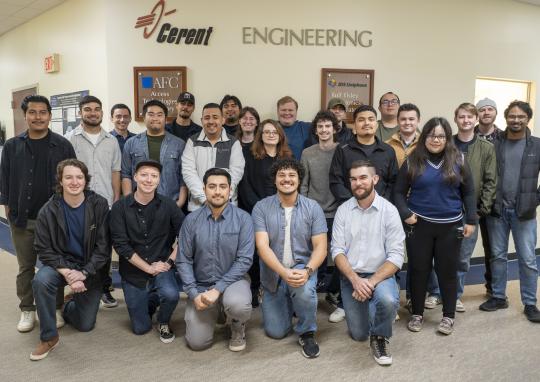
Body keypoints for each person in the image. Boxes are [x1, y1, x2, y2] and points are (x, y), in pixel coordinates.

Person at [394, 117, 477, 335]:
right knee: (419, 270)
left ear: (447, 138)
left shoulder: (458, 158)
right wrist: (406, 214)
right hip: (419, 226)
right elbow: (398, 192)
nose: (436, 139)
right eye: (431, 135)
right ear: (424, 137)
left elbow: (468, 191)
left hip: (450, 227)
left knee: (447, 272)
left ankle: (448, 316)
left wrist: (471, 220)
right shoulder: (413, 160)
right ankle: (417, 314)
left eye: (441, 136)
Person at [0, 95, 75, 333]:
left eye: (43, 112)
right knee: (25, 266)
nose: (38, 117)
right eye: (33, 112)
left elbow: (73, 180)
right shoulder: (12, 146)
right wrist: (8, 208)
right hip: (23, 218)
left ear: (49, 116)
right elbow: (5, 179)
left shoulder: (63, 145)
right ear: (26, 116)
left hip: (55, 220)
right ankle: (27, 309)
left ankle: (55, 307)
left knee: (54, 265)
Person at [30, 159, 110, 360]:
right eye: (68, 177)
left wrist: (83, 273)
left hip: (89, 268)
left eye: (79, 177)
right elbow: (43, 248)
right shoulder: (48, 210)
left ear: (85, 180)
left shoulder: (99, 205)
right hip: (61, 266)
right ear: (60, 181)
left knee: (85, 325)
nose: (74, 182)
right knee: (41, 281)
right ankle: (49, 337)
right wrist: (67, 273)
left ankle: (69, 305)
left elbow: (103, 248)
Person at [252, 158, 327, 358]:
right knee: (276, 332)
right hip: (274, 273)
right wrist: (283, 272)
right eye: (282, 175)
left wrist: (308, 271)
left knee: (303, 290)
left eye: (292, 175)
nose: (287, 179)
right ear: (275, 180)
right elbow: (262, 246)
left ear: (299, 179)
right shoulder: (261, 207)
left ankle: (307, 332)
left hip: (302, 268)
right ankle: (281, 299)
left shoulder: (313, 208)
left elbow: (321, 247)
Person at [332, 160, 405, 366]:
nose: (358, 183)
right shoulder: (343, 211)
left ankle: (380, 337)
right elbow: (337, 251)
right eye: (353, 179)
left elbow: (396, 256)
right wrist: (355, 280)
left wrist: (371, 282)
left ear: (375, 179)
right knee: (359, 334)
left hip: (380, 275)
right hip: (351, 278)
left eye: (363, 177)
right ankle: (371, 311)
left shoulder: (389, 211)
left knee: (388, 301)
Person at [177, 168, 254, 351]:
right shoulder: (191, 220)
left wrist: (218, 289)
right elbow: (183, 260)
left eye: (222, 187)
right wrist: (194, 293)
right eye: (212, 186)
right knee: (197, 344)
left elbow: (244, 260)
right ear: (204, 189)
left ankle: (237, 324)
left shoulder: (244, 219)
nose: (217, 191)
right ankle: (216, 310)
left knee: (238, 306)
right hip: (202, 285)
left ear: (230, 190)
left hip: (233, 282)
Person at [479, 101, 540, 323]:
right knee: (497, 256)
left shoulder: (536, 145)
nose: (516, 120)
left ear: (528, 118)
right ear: (506, 118)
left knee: (528, 259)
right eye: (512, 116)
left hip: (524, 213)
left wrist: (534, 200)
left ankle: (530, 303)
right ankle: (498, 296)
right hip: (497, 210)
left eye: (521, 116)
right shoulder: (494, 143)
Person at [110, 160, 184, 341]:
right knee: (140, 328)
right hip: (133, 271)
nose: (148, 180)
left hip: (162, 267)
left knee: (171, 294)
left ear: (159, 180)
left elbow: (186, 237)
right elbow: (121, 245)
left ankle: (163, 320)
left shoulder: (169, 205)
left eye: (154, 176)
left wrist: (168, 263)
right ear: (135, 177)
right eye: (144, 175)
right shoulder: (120, 207)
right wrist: (148, 268)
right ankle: (150, 299)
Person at [65, 95, 122, 308]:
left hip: (106, 203)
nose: (92, 113)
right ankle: (80, 287)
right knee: (79, 247)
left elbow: (115, 171)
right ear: (80, 112)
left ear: (101, 113)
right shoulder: (71, 138)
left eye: (97, 109)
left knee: (104, 249)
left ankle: (105, 289)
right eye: (87, 109)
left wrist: (116, 198)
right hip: (78, 204)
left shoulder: (112, 140)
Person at [238, 119, 292, 306]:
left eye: (274, 132)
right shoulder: (249, 156)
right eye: (266, 131)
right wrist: (261, 210)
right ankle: (256, 287)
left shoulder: (287, 159)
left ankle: (279, 287)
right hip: (255, 210)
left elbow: (291, 186)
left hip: (283, 212)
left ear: (280, 136)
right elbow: (244, 186)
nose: (270, 135)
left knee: (279, 248)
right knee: (256, 251)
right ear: (260, 135)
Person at [300, 111, 342, 322]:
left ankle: (333, 292)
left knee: (341, 256)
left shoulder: (342, 150)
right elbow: (304, 184)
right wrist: (305, 211)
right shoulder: (308, 153)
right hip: (314, 213)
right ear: (315, 130)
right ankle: (313, 296)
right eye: (320, 126)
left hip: (338, 212)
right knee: (317, 257)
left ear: (335, 129)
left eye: (328, 126)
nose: (324, 130)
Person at [121, 99, 187, 206]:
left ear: (165, 119)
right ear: (144, 118)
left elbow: (183, 177)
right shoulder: (131, 143)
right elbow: (126, 174)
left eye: (159, 115)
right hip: (138, 204)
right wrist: (129, 201)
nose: (155, 118)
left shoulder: (179, 144)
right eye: (151, 114)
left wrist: (180, 202)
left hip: (170, 203)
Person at [182, 102, 245, 212]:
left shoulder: (233, 143)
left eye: (215, 117)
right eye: (207, 118)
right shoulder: (192, 142)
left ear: (223, 120)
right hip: (198, 207)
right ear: (202, 121)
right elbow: (188, 172)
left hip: (227, 206)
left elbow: (236, 173)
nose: (211, 121)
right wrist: (205, 199)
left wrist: (220, 199)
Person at [330, 105, 398, 204]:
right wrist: (353, 203)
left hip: (381, 209)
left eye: (371, 119)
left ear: (377, 124)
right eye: (361, 120)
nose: (366, 123)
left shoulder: (388, 150)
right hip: (350, 209)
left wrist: (382, 202)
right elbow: (335, 181)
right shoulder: (343, 149)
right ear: (354, 125)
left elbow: (393, 182)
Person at [475, 97, 503, 295]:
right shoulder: (467, 135)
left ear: (495, 113)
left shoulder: (505, 137)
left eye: (489, 109)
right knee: (460, 251)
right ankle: (452, 292)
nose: (486, 113)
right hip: (468, 202)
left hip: (494, 202)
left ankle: (493, 289)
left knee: (493, 249)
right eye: (482, 110)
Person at [386, 103, 421, 167]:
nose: (407, 123)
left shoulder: (425, 144)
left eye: (411, 119)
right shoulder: (387, 145)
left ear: (418, 120)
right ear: (397, 121)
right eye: (403, 119)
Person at [276, 96, 312, 160]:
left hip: (300, 169)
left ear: (296, 111)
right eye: (283, 110)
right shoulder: (270, 128)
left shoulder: (306, 127)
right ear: (278, 111)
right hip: (274, 169)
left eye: (290, 110)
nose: (287, 113)